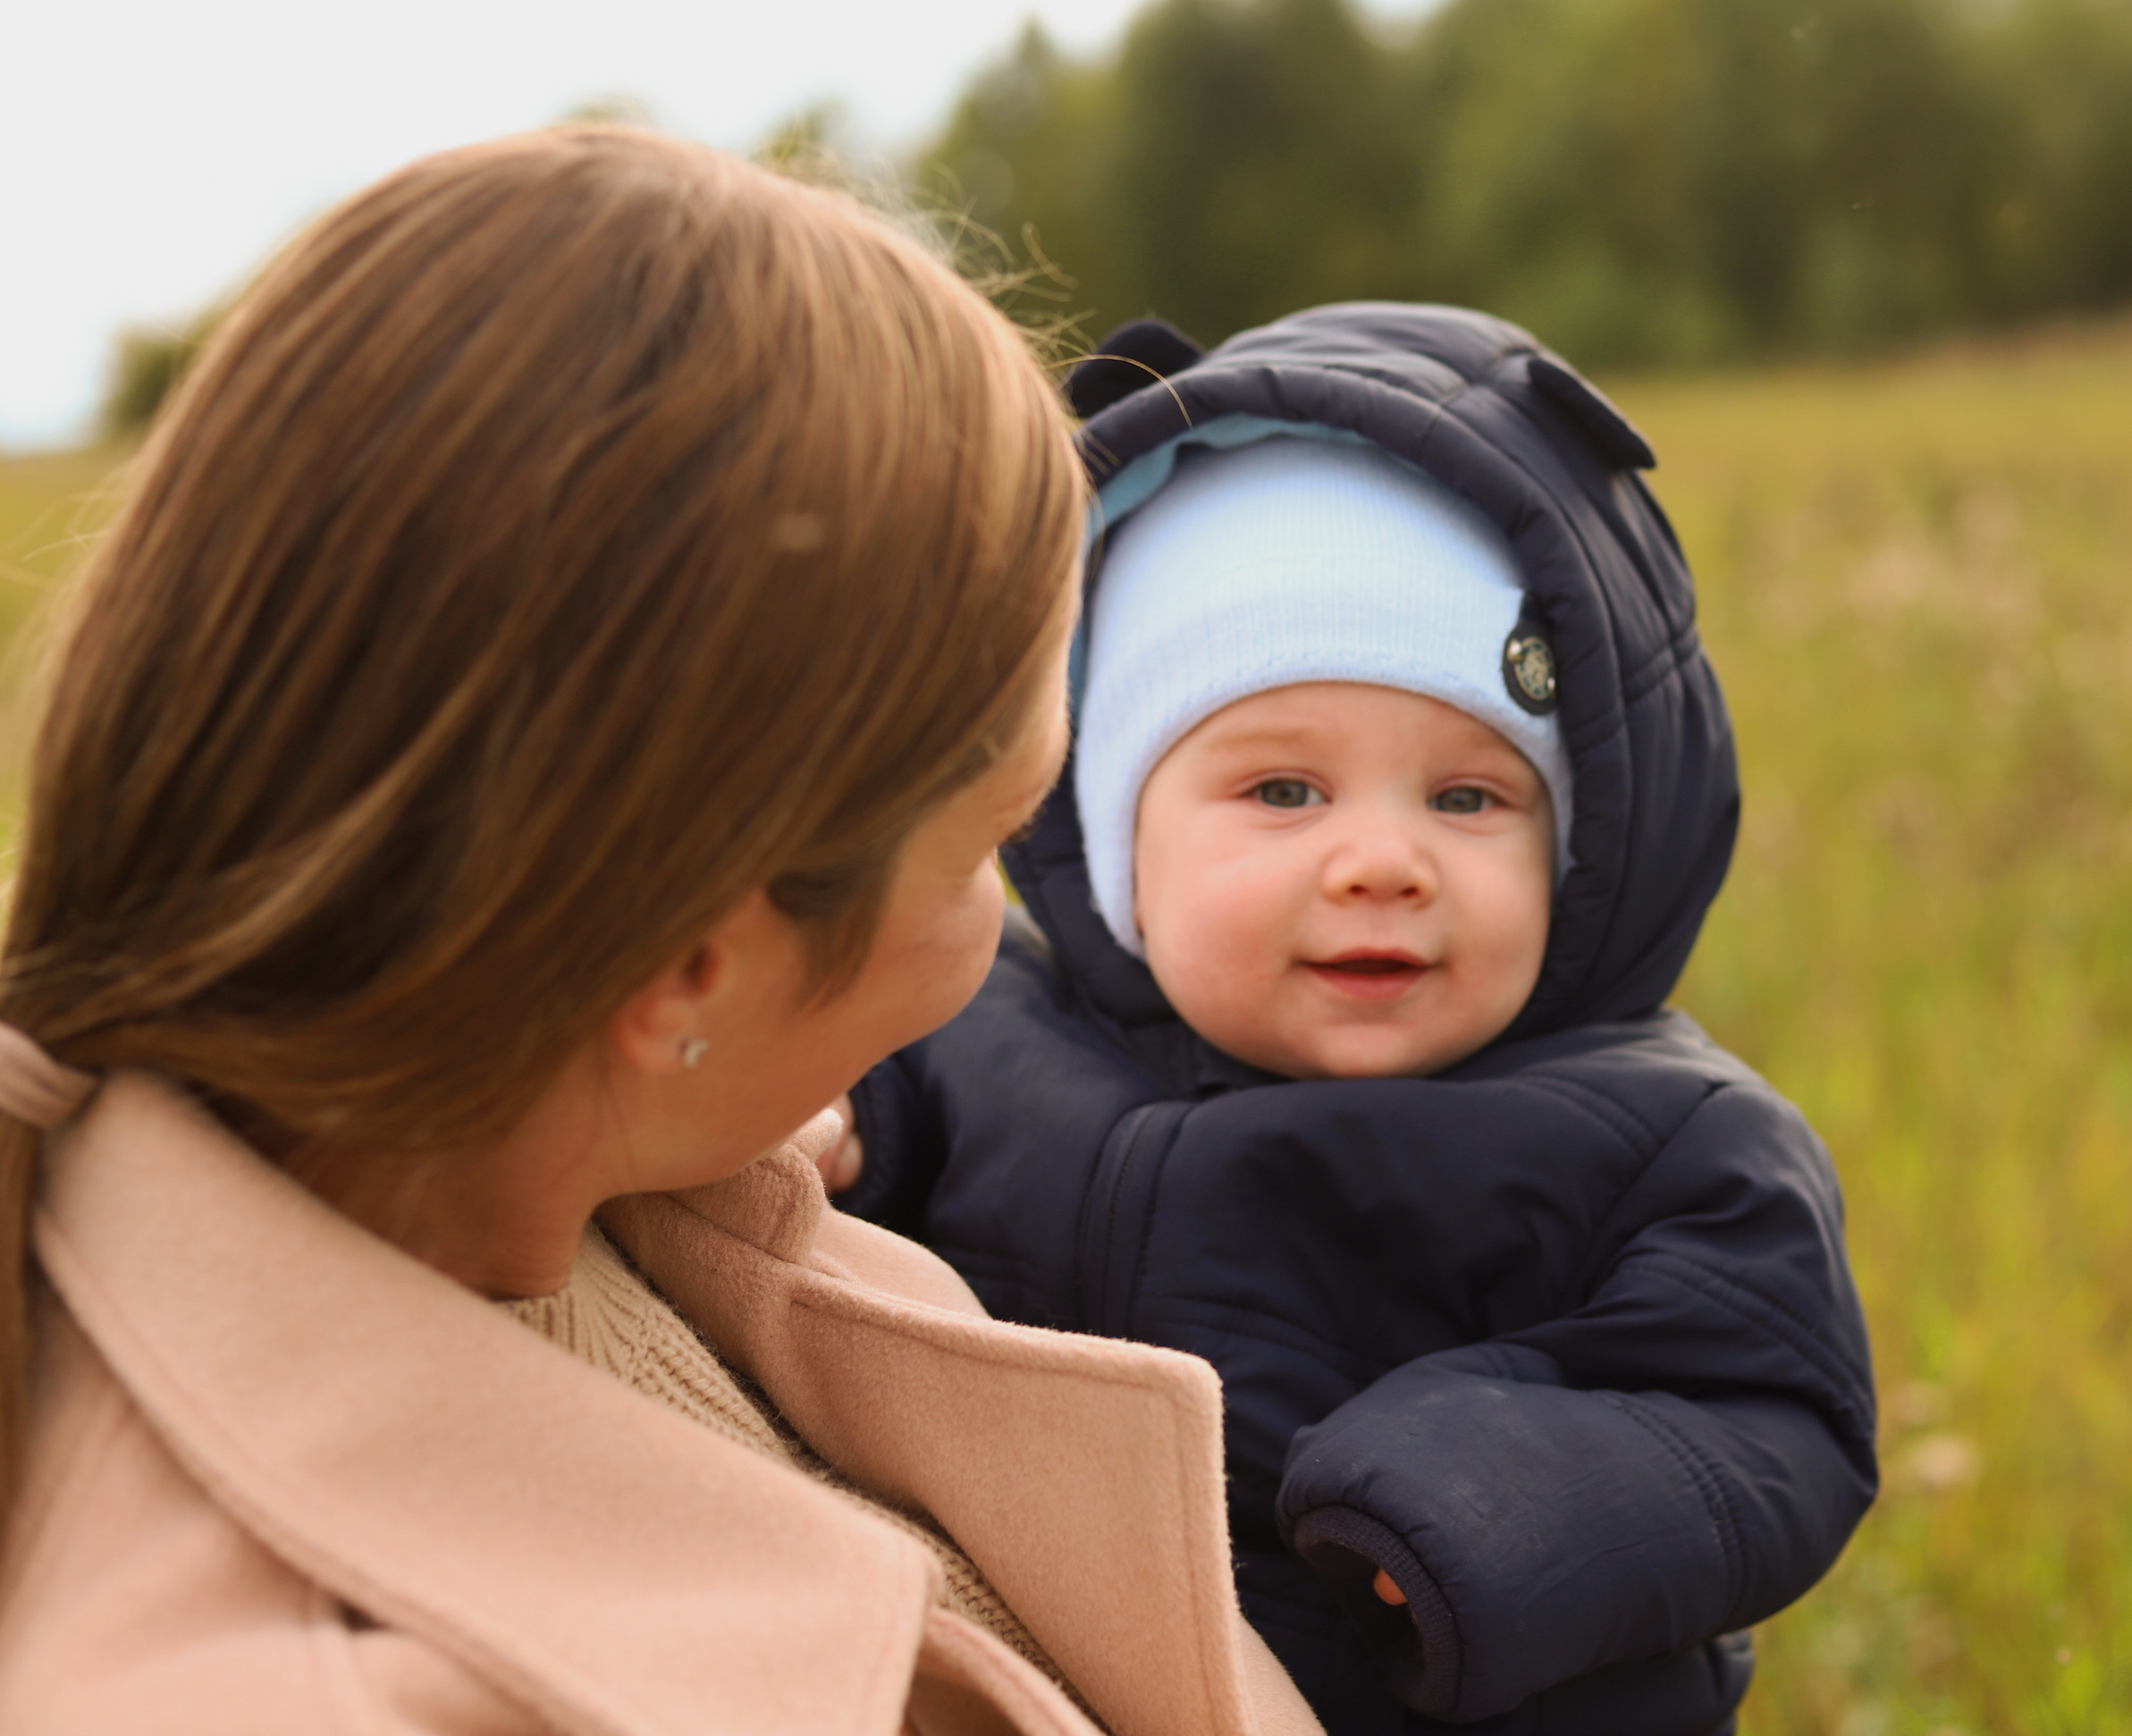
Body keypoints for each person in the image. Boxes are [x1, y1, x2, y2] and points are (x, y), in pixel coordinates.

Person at [0, 129, 1321, 1736]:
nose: (1015, 924)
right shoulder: (314, 1693)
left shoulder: (578, 1184)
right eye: (988, 844)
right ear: (687, 969)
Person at [834, 306, 1880, 1736]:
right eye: (1283, 792)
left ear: (1585, 853)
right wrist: (841, 1121)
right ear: (1108, 822)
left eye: (1469, 797)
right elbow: (842, 1112)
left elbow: (1772, 1423)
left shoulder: (1666, 1141)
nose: (1382, 861)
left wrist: (1490, 1494)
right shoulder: (977, 1021)